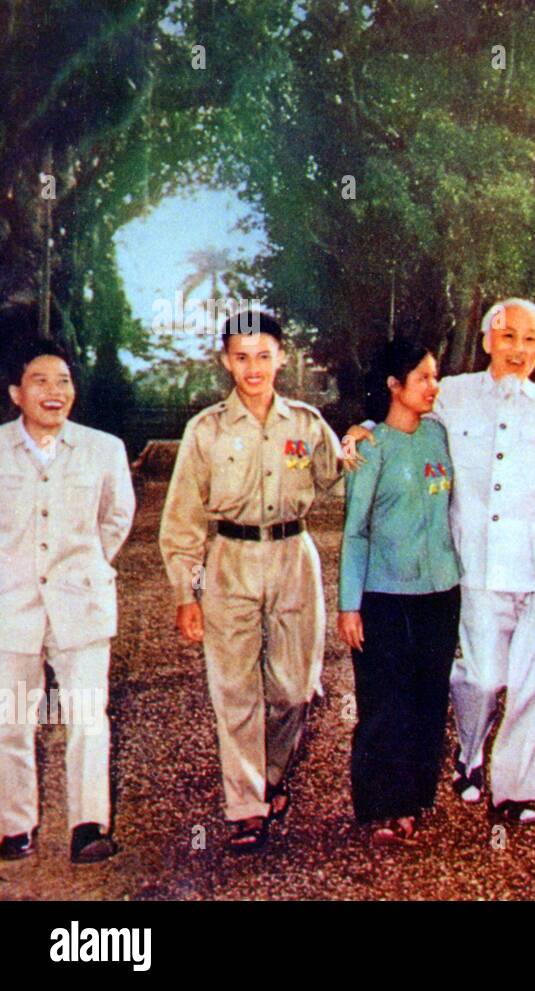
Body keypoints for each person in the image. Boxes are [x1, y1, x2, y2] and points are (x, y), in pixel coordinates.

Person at [346, 298, 535, 825]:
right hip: (474, 562)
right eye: (509, 337)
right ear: (487, 340)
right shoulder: (450, 394)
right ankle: (470, 752)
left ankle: (516, 791)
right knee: (481, 679)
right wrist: (360, 429)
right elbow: (400, 413)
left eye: (531, 340)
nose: (519, 349)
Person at [159, 311, 344, 854]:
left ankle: (272, 773)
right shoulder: (207, 430)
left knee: (293, 688)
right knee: (235, 689)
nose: (253, 367)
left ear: (282, 358)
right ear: (226, 361)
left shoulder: (306, 424)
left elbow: (339, 475)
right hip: (231, 559)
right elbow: (182, 521)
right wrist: (184, 594)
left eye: (264, 355)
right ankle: (245, 807)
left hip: (293, 557)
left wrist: (368, 437)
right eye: (241, 356)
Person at [0, 341, 135, 863]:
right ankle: (14, 826)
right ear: (16, 392)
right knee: (10, 719)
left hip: (81, 603)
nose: (54, 393)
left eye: (63, 381)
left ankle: (88, 826)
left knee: (87, 716)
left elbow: (117, 517)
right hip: (11, 605)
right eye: (40, 381)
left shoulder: (104, 449)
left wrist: (87, 566)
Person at [338, 339, 461, 846]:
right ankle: (381, 806)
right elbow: (355, 530)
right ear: (394, 386)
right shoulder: (370, 446)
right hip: (384, 595)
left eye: (436, 377)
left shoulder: (438, 435)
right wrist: (350, 605)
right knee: (384, 702)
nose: (434, 387)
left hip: (440, 591)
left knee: (429, 699)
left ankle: (414, 798)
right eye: (424, 379)